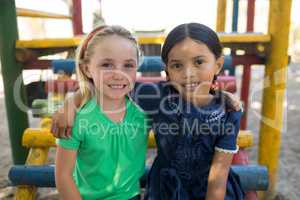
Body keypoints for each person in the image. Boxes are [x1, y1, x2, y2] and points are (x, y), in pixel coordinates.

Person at [52, 23, 244, 200]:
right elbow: (103, 89)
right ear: (167, 70)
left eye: (198, 62)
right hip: (167, 190)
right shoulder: (156, 96)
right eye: (177, 65)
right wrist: (70, 103)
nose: (188, 73)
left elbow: (218, 176)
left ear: (218, 64)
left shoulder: (228, 111)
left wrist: (222, 96)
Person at [55, 25, 148, 200]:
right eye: (107, 64)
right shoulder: (76, 119)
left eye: (128, 65)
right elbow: (63, 177)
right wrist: (69, 105)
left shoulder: (144, 113)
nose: (119, 74)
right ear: (87, 68)